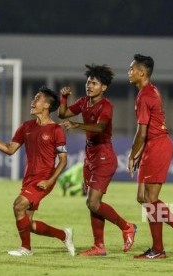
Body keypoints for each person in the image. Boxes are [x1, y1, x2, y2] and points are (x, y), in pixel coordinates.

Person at [0, 86, 75, 257]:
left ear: (46, 105)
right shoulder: (26, 127)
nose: (32, 101)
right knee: (28, 224)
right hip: (29, 179)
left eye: (37, 98)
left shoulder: (56, 130)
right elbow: (10, 149)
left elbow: (63, 160)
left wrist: (50, 181)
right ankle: (64, 235)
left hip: (44, 179)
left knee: (18, 205)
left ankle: (26, 249)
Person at [58, 64, 137, 256]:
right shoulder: (84, 102)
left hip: (104, 156)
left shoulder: (107, 106)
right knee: (92, 203)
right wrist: (64, 98)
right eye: (88, 82)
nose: (89, 86)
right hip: (90, 157)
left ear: (104, 87)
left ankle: (127, 226)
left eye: (94, 83)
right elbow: (62, 113)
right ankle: (99, 246)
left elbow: (100, 127)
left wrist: (77, 124)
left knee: (93, 202)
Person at [127, 54, 173, 259]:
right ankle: (158, 248)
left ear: (142, 72)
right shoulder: (149, 91)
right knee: (143, 198)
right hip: (152, 146)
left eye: (132, 69)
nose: (129, 72)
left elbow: (142, 132)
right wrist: (141, 152)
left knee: (150, 199)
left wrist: (132, 154)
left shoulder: (145, 95)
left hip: (157, 146)